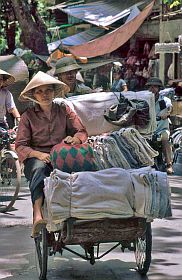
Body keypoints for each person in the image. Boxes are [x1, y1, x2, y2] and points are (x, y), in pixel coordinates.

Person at [15, 71, 88, 236]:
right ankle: (37, 214)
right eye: (39, 91)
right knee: (39, 170)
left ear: (54, 92)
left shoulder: (64, 110)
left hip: (63, 155)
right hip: (37, 158)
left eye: (48, 90)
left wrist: (74, 139)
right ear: (33, 95)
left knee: (85, 172)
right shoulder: (28, 117)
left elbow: (81, 131)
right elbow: (20, 145)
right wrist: (38, 154)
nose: (44, 95)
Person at [146, 77, 173, 175]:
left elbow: (169, 108)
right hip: (148, 130)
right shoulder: (146, 100)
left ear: (159, 88)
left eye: (155, 87)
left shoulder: (163, 101)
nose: (152, 89)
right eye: (150, 87)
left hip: (161, 129)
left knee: (165, 139)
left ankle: (169, 164)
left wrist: (166, 113)